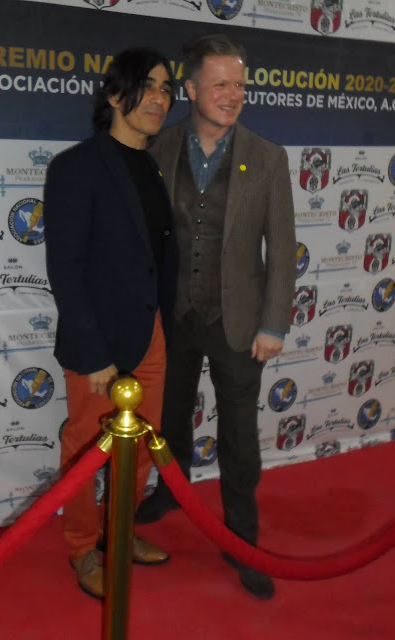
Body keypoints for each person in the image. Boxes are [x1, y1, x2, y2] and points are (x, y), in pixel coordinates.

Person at [135, 33, 296, 599]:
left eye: (240, 85)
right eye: (221, 84)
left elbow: (283, 248)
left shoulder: (269, 157)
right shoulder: (158, 146)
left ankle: (242, 541)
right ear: (190, 89)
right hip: (173, 314)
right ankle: (170, 491)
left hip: (239, 322)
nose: (233, 95)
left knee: (239, 439)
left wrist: (273, 324)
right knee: (170, 418)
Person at [43, 47, 177, 599]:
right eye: (148, 86)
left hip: (150, 336)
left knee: (142, 446)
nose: (159, 98)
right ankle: (82, 548)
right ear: (115, 94)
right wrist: (94, 353)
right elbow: (66, 267)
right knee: (85, 450)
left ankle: (117, 535)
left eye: (167, 89)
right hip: (99, 344)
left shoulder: (151, 164)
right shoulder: (75, 167)